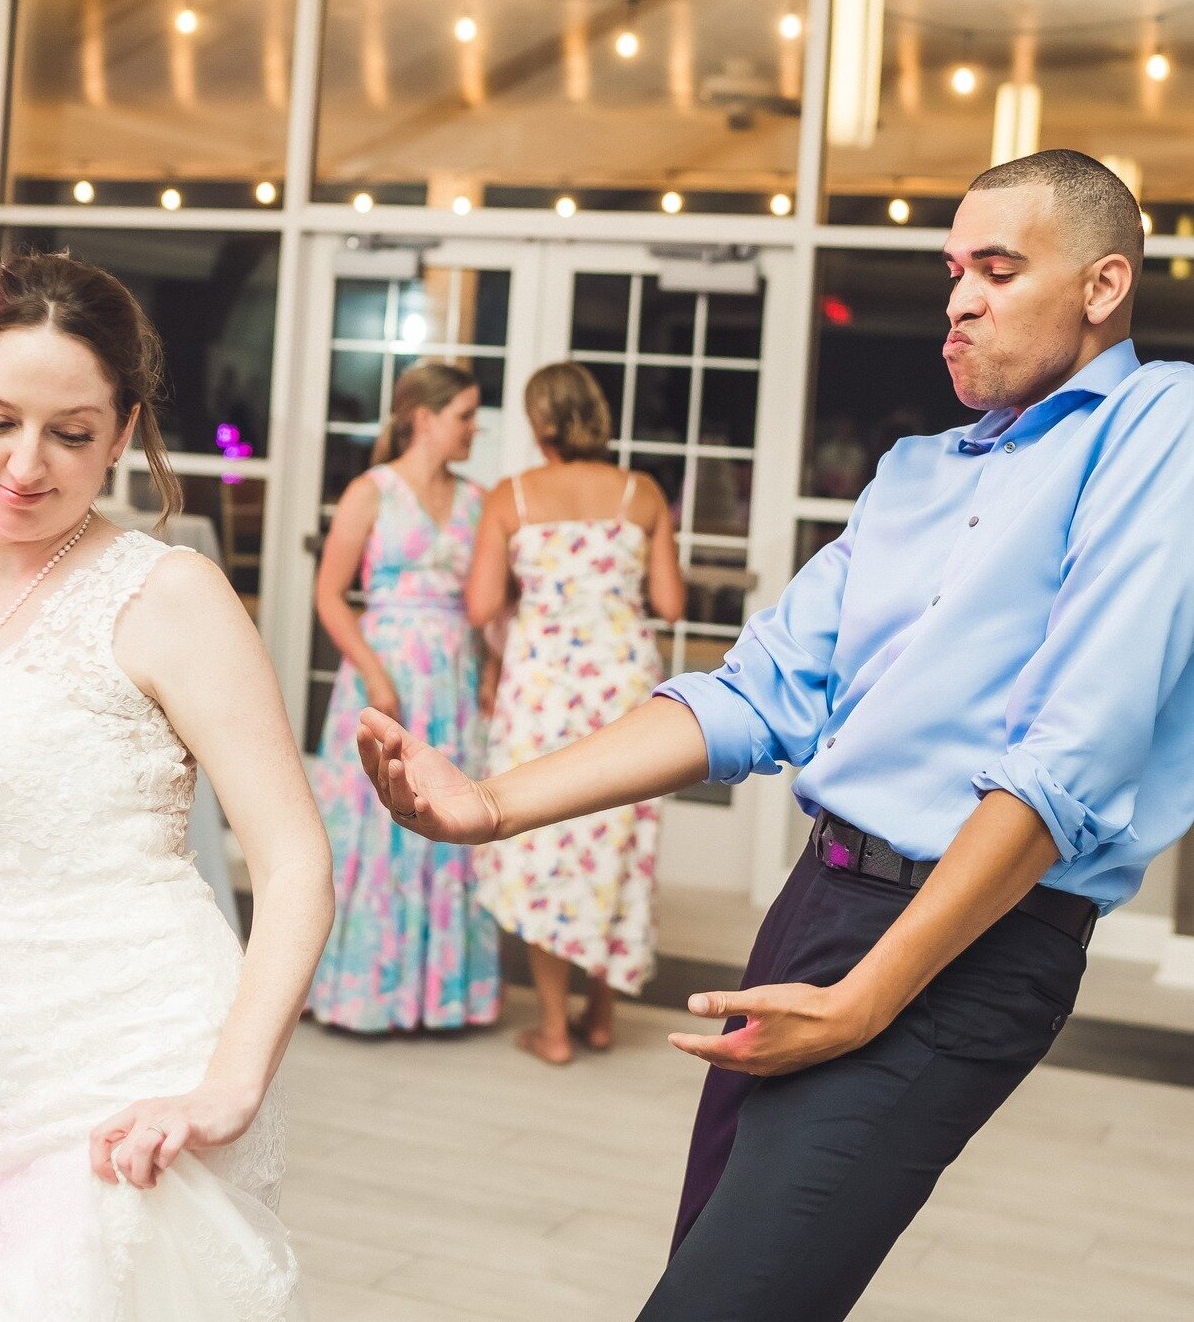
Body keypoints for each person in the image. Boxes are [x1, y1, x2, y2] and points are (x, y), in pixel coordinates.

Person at [355, 150, 1194, 1319]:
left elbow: (1075, 757)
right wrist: (492, 804)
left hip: (968, 940)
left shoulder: (1161, 425)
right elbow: (758, 695)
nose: (959, 297)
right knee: (709, 1264)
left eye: (998, 270)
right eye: (953, 270)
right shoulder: (913, 475)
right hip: (820, 905)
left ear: (1104, 287)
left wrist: (870, 996)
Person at [0, 251, 333, 1320]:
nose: (25, 463)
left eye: (70, 433)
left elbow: (295, 861)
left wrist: (230, 1086)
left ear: (121, 434)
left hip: (135, 1074)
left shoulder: (168, 595)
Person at [466, 363, 685, 1064]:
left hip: (542, 688)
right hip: (621, 684)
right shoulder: (640, 492)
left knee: (541, 841)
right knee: (612, 837)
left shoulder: (513, 496)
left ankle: (553, 1026)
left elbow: (478, 605)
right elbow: (671, 604)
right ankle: (600, 1015)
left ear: (541, 423)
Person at [309, 363, 500, 1033]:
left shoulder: (478, 500)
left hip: (448, 673)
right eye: (465, 415)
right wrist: (371, 671)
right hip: (383, 667)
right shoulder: (372, 491)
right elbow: (329, 594)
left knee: (444, 818)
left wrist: (486, 667)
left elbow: (484, 603)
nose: (475, 428)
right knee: (372, 826)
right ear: (424, 417)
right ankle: (360, 992)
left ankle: (439, 996)